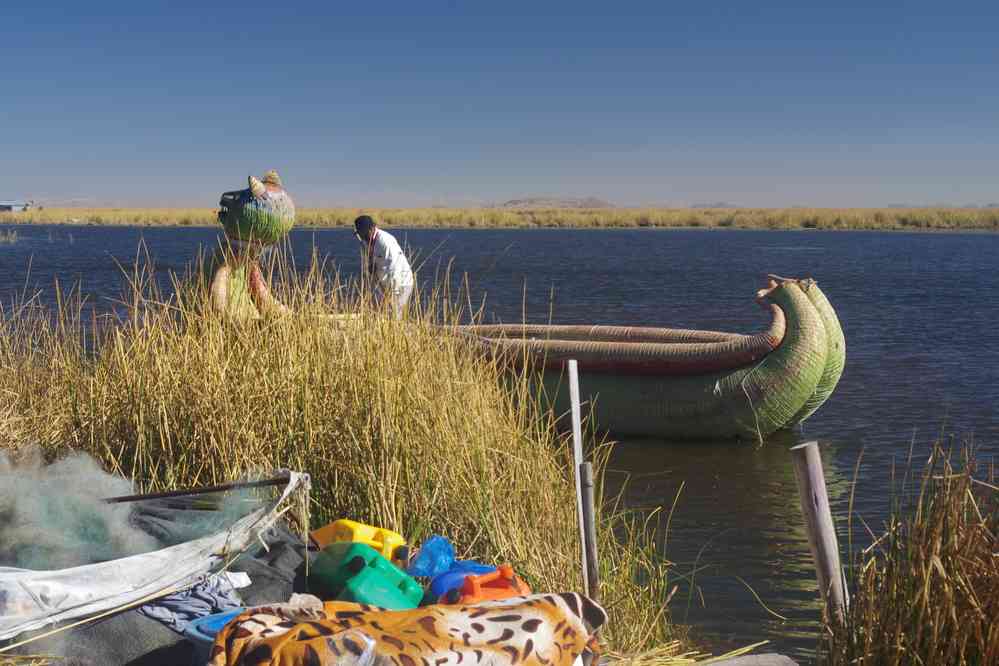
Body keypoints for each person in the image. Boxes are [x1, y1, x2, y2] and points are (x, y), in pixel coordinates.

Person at [353, 215, 414, 319]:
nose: (362, 237)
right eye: (360, 234)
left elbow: (395, 267)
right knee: (379, 312)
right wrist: (372, 266)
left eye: (363, 233)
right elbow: (375, 259)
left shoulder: (385, 241)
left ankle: (395, 332)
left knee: (394, 315)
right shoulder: (368, 240)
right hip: (383, 284)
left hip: (401, 284)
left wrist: (392, 293)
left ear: (371, 229)